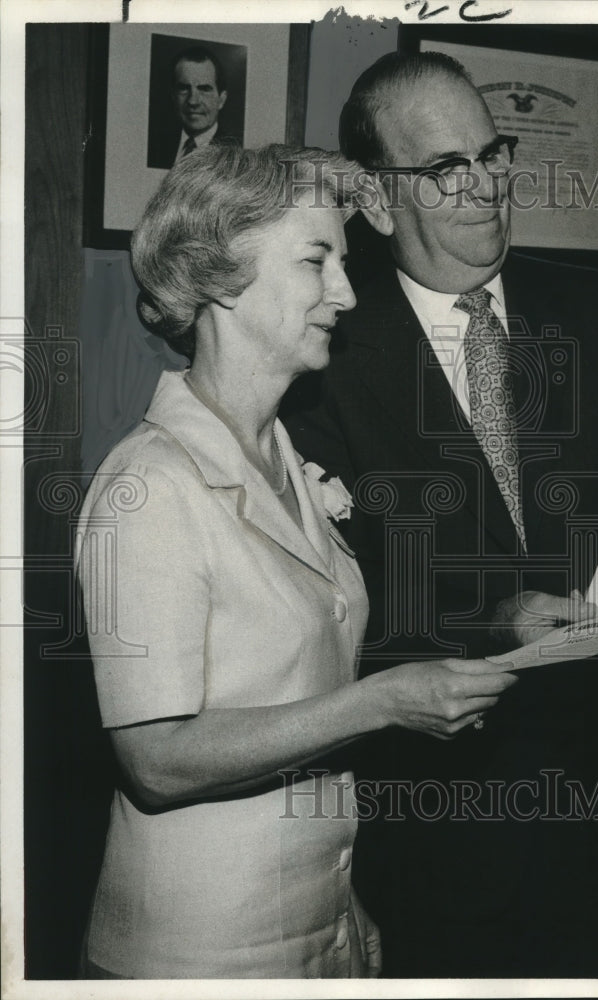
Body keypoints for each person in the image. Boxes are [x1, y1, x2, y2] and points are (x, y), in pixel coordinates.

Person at [282, 51, 598, 977]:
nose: (486, 187)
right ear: (380, 204)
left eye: (492, 153)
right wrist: (486, 628)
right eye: (443, 169)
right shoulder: (327, 346)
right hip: (439, 825)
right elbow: (320, 607)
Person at [75, 143, 517, 979]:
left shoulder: (287, 461)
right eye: (317, 261)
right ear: (218, 273)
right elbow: (157, 760)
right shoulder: (149, 487)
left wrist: (338, 905)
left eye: (344, 264)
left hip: (312, 927)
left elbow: (286, 701)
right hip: (196, 952)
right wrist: (381, 702)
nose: (346, 294)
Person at [148, 46, 238, 169]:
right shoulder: (153, 146)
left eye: (204, 89)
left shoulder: (235, 156)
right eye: (184, 88)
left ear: (221, 99)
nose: (193, 101)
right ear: (173, 96)